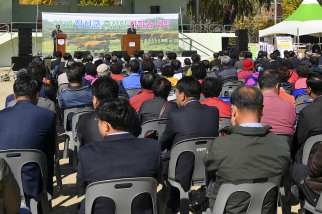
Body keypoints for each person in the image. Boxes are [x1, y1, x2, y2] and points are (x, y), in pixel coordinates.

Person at [202, 87, 292, 214]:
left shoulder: (221, 145)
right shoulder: (281, 146)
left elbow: (210, 169)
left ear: (233, 110)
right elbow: (284, 181)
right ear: (263, 110)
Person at [77, 98, 162, 214]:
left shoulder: (86, 153)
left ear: (106, 126)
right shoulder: (153, 147)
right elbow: (156, 181)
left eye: (99, 121)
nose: (98, 124)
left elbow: (81, 188)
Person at [159, 76, 219, 211]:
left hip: (181, 168)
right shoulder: (213, 112)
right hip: (208, 167)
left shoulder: (175, 114)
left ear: (182, 95)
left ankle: (172, 201)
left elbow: (165, 140)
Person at [0, 74, 56, 201]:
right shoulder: (48, 116)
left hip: (3, 178)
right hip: (34, 181)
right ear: (37, 95)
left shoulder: (1, 115)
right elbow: (49, 152)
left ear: (14, 95)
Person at [77, 77, 141, 148]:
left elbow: (81, 143)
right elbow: (137, 133)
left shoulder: (83, 119)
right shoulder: (130, 112)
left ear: (95, 100)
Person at [258, 69, 296, 135]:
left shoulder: (252, 107)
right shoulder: (290, 106)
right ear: (277, 86)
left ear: (258, 86)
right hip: (285, 144)